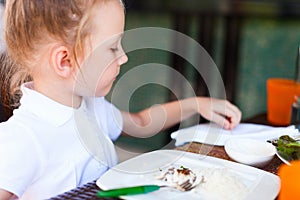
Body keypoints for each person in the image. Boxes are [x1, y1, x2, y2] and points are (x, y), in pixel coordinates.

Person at [0, 0, 242, 199]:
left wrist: (196, 104)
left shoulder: (92, 107)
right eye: (113, 48)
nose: (124, 57)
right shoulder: (22, 139)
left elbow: (141, 122)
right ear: (65, 61)